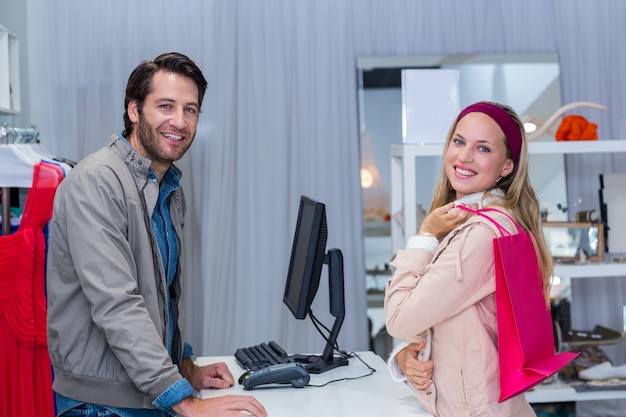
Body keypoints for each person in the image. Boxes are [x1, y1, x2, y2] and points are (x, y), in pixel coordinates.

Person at [46, 52, 267, 417]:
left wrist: (185, 368)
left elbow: (159, 298)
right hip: (102, 406)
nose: (179, 121)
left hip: (146, 395)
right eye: (166, 106)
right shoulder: (97, 181)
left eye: (190, 109)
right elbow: (117, 304)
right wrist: (187, 403)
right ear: (134, 110)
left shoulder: (166, 185)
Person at [384, 101, 553, 416]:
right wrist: (407, 357)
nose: (463, 156)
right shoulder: (479, 222)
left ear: (507, 167)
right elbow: (441, 315)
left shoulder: (480, 236)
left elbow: (398, 318)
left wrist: (424, 237)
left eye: (484, 148)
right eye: (459, 141)